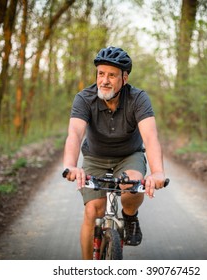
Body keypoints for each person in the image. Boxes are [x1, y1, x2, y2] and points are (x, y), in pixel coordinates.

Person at [63, 46, 166, 259]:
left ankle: (130, 217)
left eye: (112, 75)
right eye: (101, 73)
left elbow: (150, 137)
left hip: (129, 156)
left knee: (131, 187)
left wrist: (157, 172)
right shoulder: (84, 98)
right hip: (95, 157)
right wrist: (71, 165)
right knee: (93, 210)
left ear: (124, 78)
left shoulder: (138, 99)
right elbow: (74, 133)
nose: (105, 80)